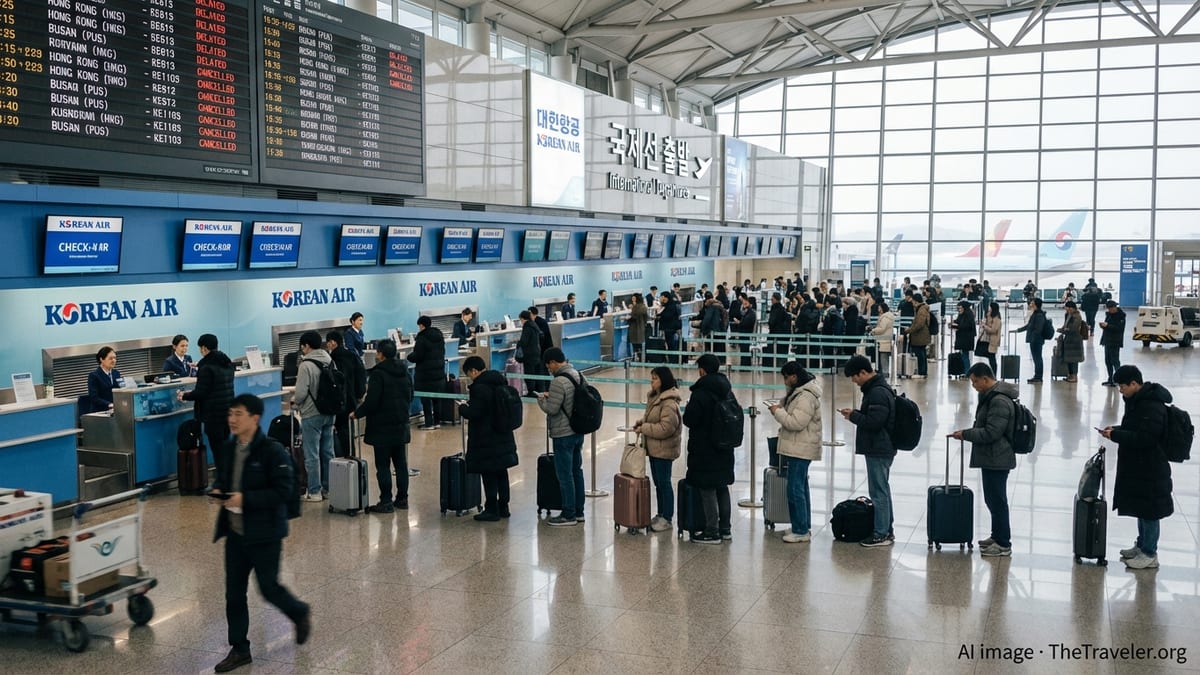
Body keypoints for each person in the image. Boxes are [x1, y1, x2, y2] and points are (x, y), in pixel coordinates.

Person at [210, 394, 310, 674]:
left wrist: (246, 499)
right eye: (230, 414)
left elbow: (283, 490)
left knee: (268, 588)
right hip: (235, 534)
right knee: (234, 594)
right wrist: (219, 489)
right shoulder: (229, 448)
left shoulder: (272, 451)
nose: (232, 419)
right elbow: (223, 477)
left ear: (254, 418)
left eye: (238, 414)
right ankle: (240, 648)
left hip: (265, 533)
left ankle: (298, 612)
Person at [1100, 365, 1174, 570]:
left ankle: (1150, 553)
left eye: (1122, 386)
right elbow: (1136, 428)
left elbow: (1146, 438)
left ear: (1134, 383)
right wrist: (1115, 430)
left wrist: (1116, 435)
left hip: (1151, 467)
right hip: (1140, 465)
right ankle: (1142, 545)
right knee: (1143, 508)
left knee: (1150, 511)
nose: (1120, 390)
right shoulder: (1137, 402)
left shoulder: (1151, 405)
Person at [950, 364, 1017, 557]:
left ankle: (1004, 543)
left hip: (998, 457)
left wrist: (966, 434)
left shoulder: (999, 401)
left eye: (975, 381)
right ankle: (997, 536)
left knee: (997, 500)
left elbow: (992, 432)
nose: (974, 386)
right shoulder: (990, 396)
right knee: (993, 499)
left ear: (985, 379)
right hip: (992, 456)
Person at [839, 355, 896, 547]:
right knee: (883, 489)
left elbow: (874, 423)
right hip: (880, 446)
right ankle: (886, 529)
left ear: (863, 372)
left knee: (878, 491)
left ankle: (881, 533)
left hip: (879, 447)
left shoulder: (877, 392)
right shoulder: (876, 388)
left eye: (854, 377)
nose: (854, 381)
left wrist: (854, 416)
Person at [351, 338, 412, 514]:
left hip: (382, 427)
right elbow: (411, 394)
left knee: (383, 465)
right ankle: (402, 499)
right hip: (401, 424)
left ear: (380, 354)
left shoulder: (378, 374)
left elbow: (372, 402)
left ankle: (385, 501)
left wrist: (357, 413)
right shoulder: (404, 371)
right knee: (401, 464)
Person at [682, 354, 737, 544]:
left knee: (707, 488)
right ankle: (726, 529)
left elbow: (690, 420)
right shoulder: (727, 390)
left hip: (705, 448)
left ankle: (712, 531)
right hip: (724, 446)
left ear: (702, 370)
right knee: (722, 486)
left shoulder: (701, 393)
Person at [458, 355, 519, 521]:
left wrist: (463, 408)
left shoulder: (480, 388)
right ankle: (503, 507)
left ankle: (491, 509)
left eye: (469, 374)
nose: (470, 377)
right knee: (501, 472)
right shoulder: (499, 382)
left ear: (474, 371)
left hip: (486, 438)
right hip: (503, 434)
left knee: (489, 473)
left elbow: (476, 413)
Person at [767, 361, 822, 543]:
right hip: (800, 446)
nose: (784, 381)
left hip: (801, 448)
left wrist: (777, 413)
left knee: (795, 489)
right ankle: (802, 525)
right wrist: (781, 405)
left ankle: (801, 530)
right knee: (800, 487)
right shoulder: (800, 393)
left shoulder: (805, 396)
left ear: (794, 377)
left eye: (786, 377)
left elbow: (796, 423)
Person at [537, 348, 585, 526]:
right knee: (576, 472)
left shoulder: (558, 381)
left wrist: (542, 399)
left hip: (563, 434)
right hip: (577, 430)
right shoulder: (577, 374)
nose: (549, 369)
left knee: (565, 475)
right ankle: (579, 512)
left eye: (549, 366)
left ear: (554, 362)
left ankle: (568, 514)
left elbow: (552, 409)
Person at [632, 366, 682, 533]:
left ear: (663, 381)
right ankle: (661, 513)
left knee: (664, 483)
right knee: (658, 483)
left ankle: (667, 517)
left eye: (655, 378)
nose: (651, 381)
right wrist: (642, 422)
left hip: (664, 450)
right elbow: (654, 418)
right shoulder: (656, 398)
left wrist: (645, 428)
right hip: (654, 449)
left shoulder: (669, 402)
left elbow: (666, 428)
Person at [179, 334, 235, 473]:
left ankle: (223, 482)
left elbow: (201, 392)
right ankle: (229, 477)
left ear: (204, 348)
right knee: (225, 446)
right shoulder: (227, 363)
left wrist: (184, 395)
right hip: (227, 412)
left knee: (217, 449)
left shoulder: (206, 368)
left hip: (212, 414)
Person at [293, 331, 335, 501]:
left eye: (302, 346)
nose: (302, 350)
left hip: (312, 413)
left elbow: (301, 392)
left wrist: (295, 402)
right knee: (328, 452)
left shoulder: (306, 365)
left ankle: (315, 491)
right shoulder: (330, 360)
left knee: (312, 454)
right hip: (330, 411)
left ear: (307, 345)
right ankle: (329, 488)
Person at [326, 331, 366, 458]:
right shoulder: (353, 355)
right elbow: (361, 376)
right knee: (349, 431)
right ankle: (351, 458)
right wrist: (359, 395)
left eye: (328, 343)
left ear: (333, 343)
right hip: (351, 400)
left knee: (341, 432)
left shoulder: (332, 361)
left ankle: (344, 460)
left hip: (339, 402)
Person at [408, 315, 447, 430]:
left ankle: (429, 423)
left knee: (425, 399)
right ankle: (437, 422)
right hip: (439, 373)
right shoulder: (439, 336)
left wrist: (409, 357)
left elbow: (418, 355)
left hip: (425, 374)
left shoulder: (422, 338)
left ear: (421, 325)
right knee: (436, 398)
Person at [1012, 298, 1049, 383]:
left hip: (1036, 340)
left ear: (1035, 304)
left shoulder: (1039, 315)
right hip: (1034, 340)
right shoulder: (1035, 314)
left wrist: (1033, 336)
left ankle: (1038, 377)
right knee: (1036, 358)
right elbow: (1029, 325)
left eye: (1032, 303)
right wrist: (1018, 330)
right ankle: (1037, 376)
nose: (1030, 304)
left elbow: (1038, 329)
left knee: (1037, 358)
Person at [517, 310, 545, 396]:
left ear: (522, 318)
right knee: (537, 373)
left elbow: (524, 342)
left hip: (529, 355)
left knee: (529, 374)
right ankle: (539, 390)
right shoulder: (534, 325)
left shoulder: (527, 327)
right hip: (536, 352)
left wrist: (518, 343)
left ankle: (531, 392)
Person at [86, 346, 122, 413]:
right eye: (110, 358)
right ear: (102, 359)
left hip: (115, 410)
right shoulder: (94, 375)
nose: (114, 360)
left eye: (115, 358)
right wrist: (109, 404)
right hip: (100, 411)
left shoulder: (116, 373)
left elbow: (120, 390)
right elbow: (94, 397)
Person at [1099, 300, 1126, 386]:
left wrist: (1107, 326)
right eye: (1109, 309)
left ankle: (1118, 379)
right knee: (1108, 361)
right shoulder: (1109, 315)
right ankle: (1110, 378)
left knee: (1115, 361)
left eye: (1111, 308)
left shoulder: (1121, 316)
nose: (1110, 310)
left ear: (1115, 307)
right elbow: (1108, 326)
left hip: (1115, 341)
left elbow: (1119, 329)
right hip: (1107, 341)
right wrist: (1104, 326)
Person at [1058, 301, 1085, 383]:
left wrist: (1065, 330)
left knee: (1074, 360)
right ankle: (1069, 375)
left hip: (1075, 340)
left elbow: (1074, 327)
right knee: (1068, 359)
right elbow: (1065, 325)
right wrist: (1062, 329)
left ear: (1072, 308)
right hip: (1068, 339)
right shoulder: (1067, 315)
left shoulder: (1077, 316)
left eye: (1068, 308)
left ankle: (1074, 376)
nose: (1067, 310)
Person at [951, 301, 977, 379]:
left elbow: (966, 326)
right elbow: (960, 322)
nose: (959, 309)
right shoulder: (966, 314)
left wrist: (956, 326)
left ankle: (967, 372)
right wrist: (954, 323)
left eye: (960, 307)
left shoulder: (968, 315)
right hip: (964, 338)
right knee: (964, 355)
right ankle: (966, 371)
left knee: (965, 355)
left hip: (966, 338)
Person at [731, 293, 757, 368]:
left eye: (746, 303)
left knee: (745, 350)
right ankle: (744, 365)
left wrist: (739, 322)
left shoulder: (751, 313)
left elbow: (746, 323)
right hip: (744, 333)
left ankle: (745, 366)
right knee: (743, 350)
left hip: (746, 334)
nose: (744, 304)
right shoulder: (748, 312)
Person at [869, 302, 894, 378]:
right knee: (883, 358)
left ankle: (884, 373)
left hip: (883, 340)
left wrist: (873, 330)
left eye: (879, 308)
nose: (878, 309)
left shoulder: (885, 318)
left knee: (883, 359)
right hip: (885, 340)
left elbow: (882, 328)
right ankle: (883, 372)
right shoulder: (887, 317)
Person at [657, 291, 683, 365]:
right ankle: (671, 359)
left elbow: (667, 316)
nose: (661, 299)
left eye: (662, 297)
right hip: (669, 328)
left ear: (665, 297)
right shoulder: (668, 305)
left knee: (671, 345)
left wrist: (660, 316)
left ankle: (673, 360)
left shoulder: (670, 306)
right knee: (670, 344)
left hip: (670, 328)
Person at [768, 292, 792, 368]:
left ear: (775, 299)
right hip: (783, 335)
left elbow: (772, 321)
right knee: (782, 353)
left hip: (776, 334)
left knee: (776, 351)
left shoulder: (775, 309)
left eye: (772, 298)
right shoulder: (782, 309)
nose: (771, 300)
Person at [978, 302, 1002, 374]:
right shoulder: (989, 316)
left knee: (992, 358)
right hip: (987, 340)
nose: (988, 308)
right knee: (990, 357)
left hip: (993, 341)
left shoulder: (997, 319)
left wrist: (985, 326)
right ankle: (991, 373)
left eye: (990, 307)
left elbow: (993, 330)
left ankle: (994, 374)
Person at [628, 293, 648, 359]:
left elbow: (633, 317)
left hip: (635, 327)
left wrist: (626, 318)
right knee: (640, 343)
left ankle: (636, 356)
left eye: (634, 298)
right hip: (641, 327)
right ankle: (641, 357)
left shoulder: (636, 307)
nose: (632, 299)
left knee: (635, 343)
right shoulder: (643, 306)